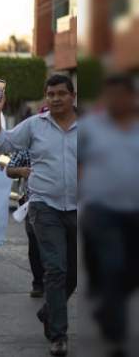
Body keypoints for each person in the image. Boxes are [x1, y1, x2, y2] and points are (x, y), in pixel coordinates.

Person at [0, 74, 78, 357]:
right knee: (56, 269)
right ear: (45, 97)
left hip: (78, 207)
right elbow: (1, 145)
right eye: (50, 94)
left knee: (72, 276)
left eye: (61, 93)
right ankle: (58, 335)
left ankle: (50, 310)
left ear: (72, 96)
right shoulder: (34, 126)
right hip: (43, 206)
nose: (55, 99)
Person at [79, 74, 138, 357]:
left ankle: (106, 306)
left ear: (131, 97)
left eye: (120, 95)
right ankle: (116, 335)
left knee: (131, 272)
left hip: (135, 214)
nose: (115, 101)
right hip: (101, 212)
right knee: (113, 265)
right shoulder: (90, 128)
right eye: (110, 95)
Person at [7, 148, 44, 298]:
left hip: (62, 204)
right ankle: (39, 283)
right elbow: (10, 169)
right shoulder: (27, 147)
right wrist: (21, 171)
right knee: (35, 244)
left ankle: (54, 282)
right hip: (32, 204)